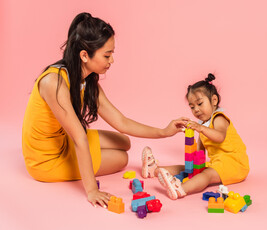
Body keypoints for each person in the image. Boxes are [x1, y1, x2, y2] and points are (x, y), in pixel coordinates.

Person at [22, 12, 187, 207]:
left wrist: (164, 132)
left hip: (64, 141)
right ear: (84, 55)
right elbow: (79, 138)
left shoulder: (88, 81)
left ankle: (148, 166)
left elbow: (121, 122)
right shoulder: (54, 82)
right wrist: (92, 190)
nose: (112, 60)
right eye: (107, 55)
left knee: (124, 141)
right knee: (121, 158)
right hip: (46, 160)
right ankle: (139, 171)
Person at [141, 73, 250, 200]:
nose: (196, 110)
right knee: (190, 168)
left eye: (200, 104)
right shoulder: (203, 124)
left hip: (234, 164)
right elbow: (200, 150)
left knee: (206, 175)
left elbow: (220, 136)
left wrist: (200, 129)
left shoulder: (219, 118)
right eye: (192, 107)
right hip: (218, 163)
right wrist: (193, 163)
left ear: (214, 100)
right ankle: (153, 169)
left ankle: (181, 189)